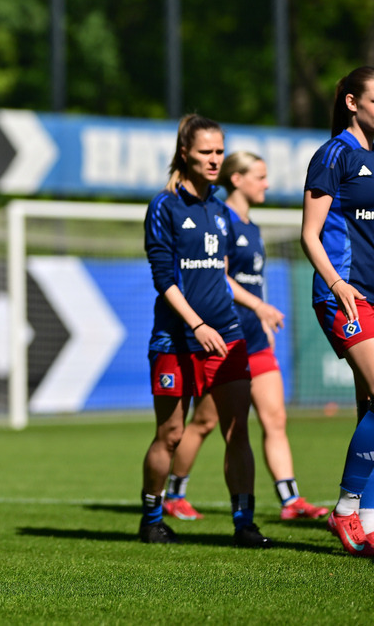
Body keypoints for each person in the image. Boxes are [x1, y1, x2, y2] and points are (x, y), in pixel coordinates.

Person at [161, 151, 327, 522]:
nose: (267, 183)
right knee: (204, 423)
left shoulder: (252, 227)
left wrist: (263, 317)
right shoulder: (221, 220)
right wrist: (259, 308)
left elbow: (253, 282)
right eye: (260, 176)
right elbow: (218, 277)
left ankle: (290, 500)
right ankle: (174, 493)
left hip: (255, 337)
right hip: (226, 338)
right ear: (237, 179)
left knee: (275, 419)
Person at [139, 113, 280, 548]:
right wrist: (195, 324)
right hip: (176, 339)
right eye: (206, 152)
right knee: (172, 434)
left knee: (238, 429)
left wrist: (254, 307)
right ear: (185, 153)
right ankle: (151, 517)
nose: (215, 159)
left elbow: (220, 275)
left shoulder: (220, 210)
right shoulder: (164, 206)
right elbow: (164, 279)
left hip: (227, 335)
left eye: (220, 151)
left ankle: (244, 522)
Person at [301, 66, 374, 556]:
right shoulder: (334, 155)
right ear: (353, 102)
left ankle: (366, 520)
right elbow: (309, 234)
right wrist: (336, 282)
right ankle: (347, 509)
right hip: (345, 296)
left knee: (369, 407)